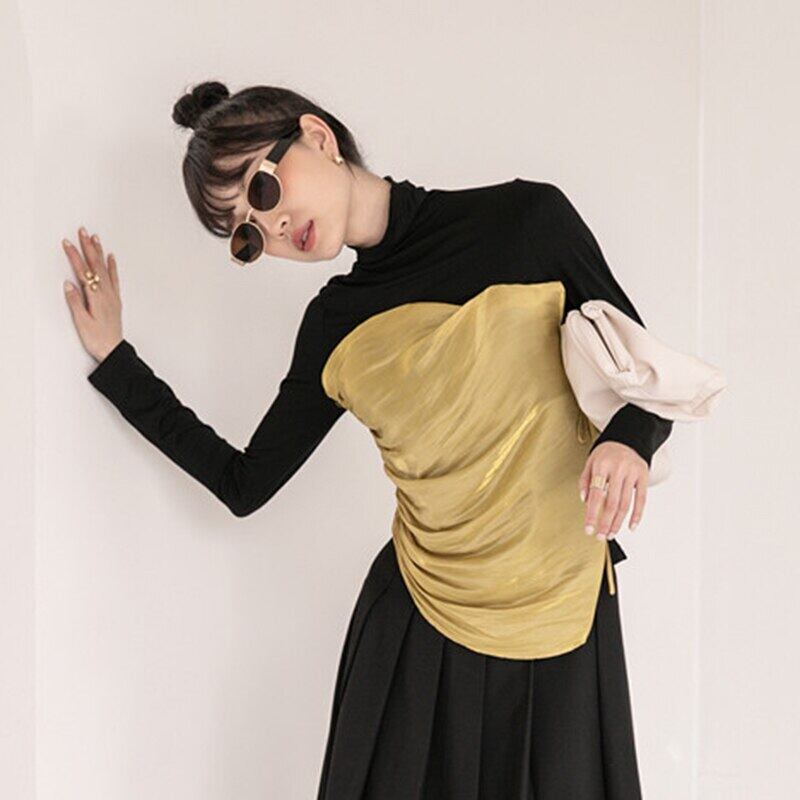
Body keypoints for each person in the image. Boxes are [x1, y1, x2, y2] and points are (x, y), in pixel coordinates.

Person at [61, 81, 672, 799]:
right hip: (423, 626)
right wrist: (118, 360)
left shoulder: (526, 220)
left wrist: (627, 441)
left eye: (262, 189)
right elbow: (244, 484)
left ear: (318, 137)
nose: (274, 227)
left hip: (563, 609)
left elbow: (647, 380)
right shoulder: (334, 326)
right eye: (248, 236)